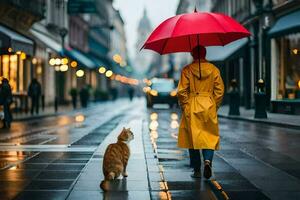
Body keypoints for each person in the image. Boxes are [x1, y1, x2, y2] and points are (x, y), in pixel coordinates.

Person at [177, 46, 224, 179]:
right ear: (205, 53)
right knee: (209, 136)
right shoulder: (214, 69)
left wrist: (185, 105)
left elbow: (181, 91)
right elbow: (219, 91)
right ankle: (208, 161)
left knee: (192, 137)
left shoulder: (187, 70)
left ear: (192, 54)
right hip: (209, 104)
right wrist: (214, 105)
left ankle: (196, 168)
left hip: (192, 104)